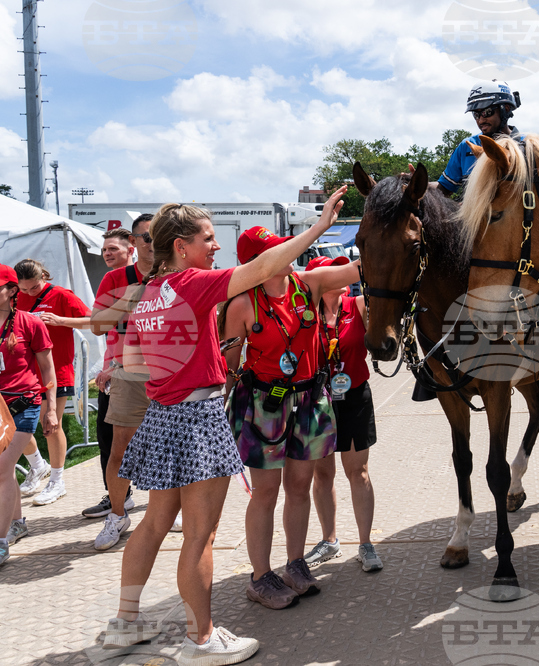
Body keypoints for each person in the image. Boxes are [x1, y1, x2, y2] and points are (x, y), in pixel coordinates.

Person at [102, 189, 358, 665]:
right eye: (207, 239)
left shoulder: (143, 295)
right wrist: (320, 227)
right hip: (197, 418)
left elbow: (136, 363)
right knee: (200, 535)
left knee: (155, 525)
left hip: (161, 415)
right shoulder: (192, 283)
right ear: (181, 246)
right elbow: (262, 269)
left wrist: (198, 360)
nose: (215, 247)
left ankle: (125, 623)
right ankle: (201, 640)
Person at [221, 230, 359, 609]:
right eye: (276, 250)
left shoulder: (307, 284)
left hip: (311, 398)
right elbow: (229, 369)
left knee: (300, 486)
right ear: (258, 261)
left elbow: (362, 269)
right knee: (265, 492)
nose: (289, 252)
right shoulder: (242, 304)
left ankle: (294, 565)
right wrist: (219, 415)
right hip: (265, 403)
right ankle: (259, 577)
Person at [302, 256, 381, 572]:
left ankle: (365, 544)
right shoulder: (308, 315)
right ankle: (329, 540)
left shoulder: (359, 305)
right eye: (334, 268)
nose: (343, 273)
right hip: (319, 401)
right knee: (322, 474)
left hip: (355, 397)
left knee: (358, 472)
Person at [89, 214, 157, 549]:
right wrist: (129, 299)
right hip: (128, 374)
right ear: (134, 242)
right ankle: (117, 514)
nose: (151, 243)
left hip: (171, 375)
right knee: (118, 450)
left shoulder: (182, 276)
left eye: (158, 236)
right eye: (145, 237)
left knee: (168, 449)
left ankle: (165, 510)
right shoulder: (117, 279)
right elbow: (97, 325)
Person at [14, 259, 92, 506]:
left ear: (43, 278)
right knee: (17, 428)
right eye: (23, 289)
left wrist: (61, 320)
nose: (27, 293)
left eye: (33, 288)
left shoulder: (62, 295)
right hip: (24, 373)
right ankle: (38, 465)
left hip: (56, 371)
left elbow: (94, 321)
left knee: (51, 425)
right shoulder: (13, 297)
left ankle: (57, 481)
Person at [0, 263, 58, 567]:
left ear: (11, 291)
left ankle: (0, 543)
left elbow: (48, 368)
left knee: (1, 468)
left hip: (24, 404)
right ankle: (18, 523)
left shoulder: (30, 324)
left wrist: (51, 410)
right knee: (4, 472)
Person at [83, 227, 134, 520]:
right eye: (104, 250)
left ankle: (169, 502)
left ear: (132, 248)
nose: (107, 254)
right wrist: (109, 366)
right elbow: (101, 326)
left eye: (113, 249)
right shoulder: (109, 281)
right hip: (114, 370)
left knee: (155, 439)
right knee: (107, 438)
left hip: (143, 373)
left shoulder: (149, 279)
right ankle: (119, 497)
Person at [433, 80, 523, 196]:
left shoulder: (527, 146)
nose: (480, 120)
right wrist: (416, 183)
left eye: (487, 112)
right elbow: (444, 188)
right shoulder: (467, 146)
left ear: (505, 109)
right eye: (476, 114)